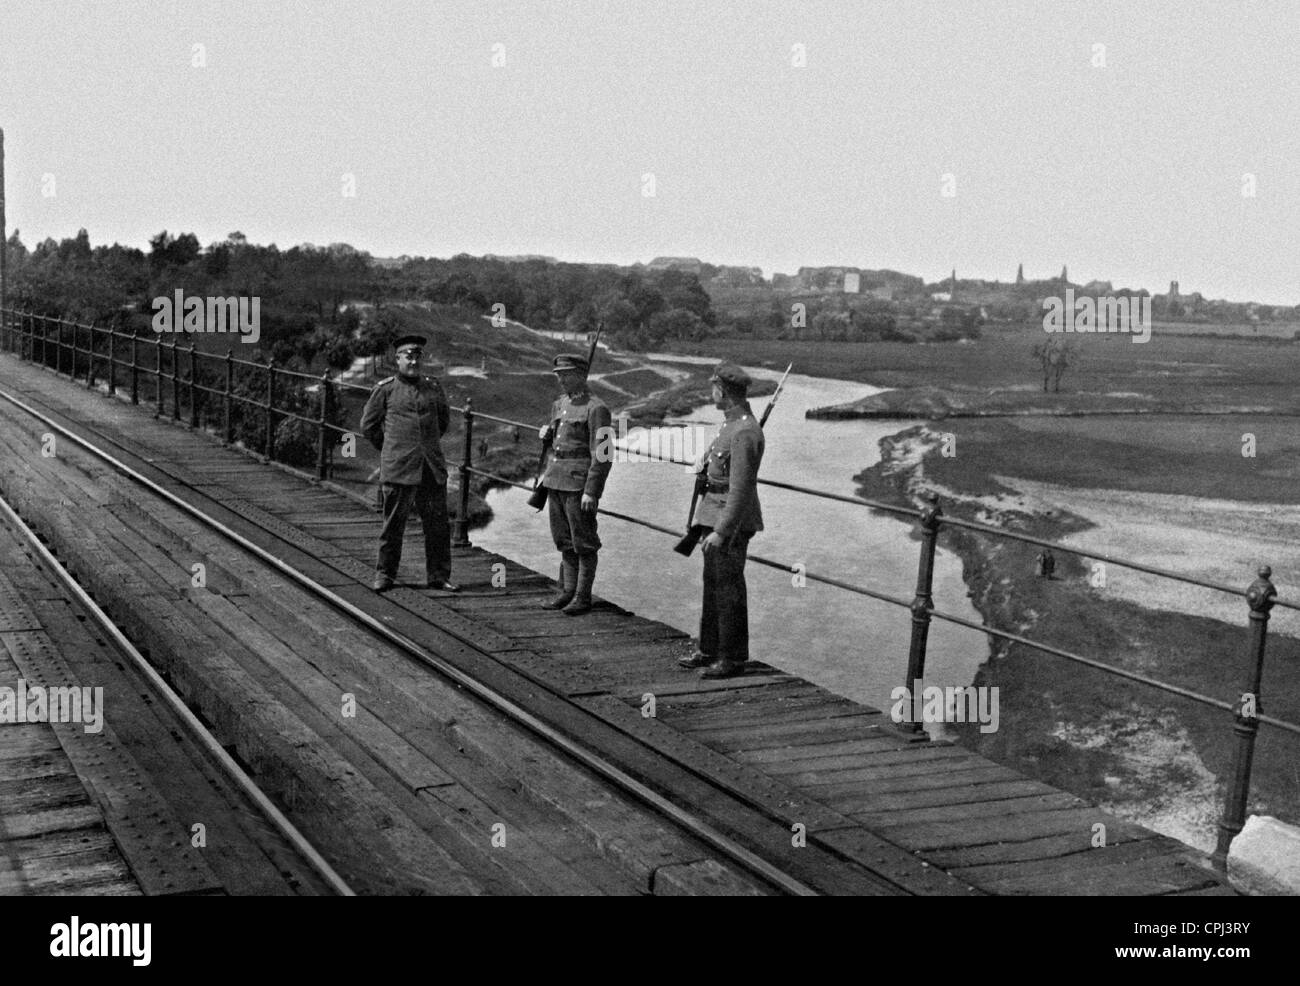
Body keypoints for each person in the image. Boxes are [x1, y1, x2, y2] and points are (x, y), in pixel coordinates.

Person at [678, 364, 765, 678]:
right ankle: (710, 649)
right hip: (714, 513)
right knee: (713, 584)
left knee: (728, 588)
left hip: (731, 521)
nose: (710, 393)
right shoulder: (731, 427)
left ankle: (731, 658)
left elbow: (741, 489)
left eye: (713, 387)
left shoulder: (744, 431)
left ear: (723, 391)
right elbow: (723, 473)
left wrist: (722, 530)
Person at [360, 334, 459, 593]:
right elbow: (368, 426)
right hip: (399, 469)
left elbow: (443, 422)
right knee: (393, 526)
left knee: (437, 526)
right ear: (398, 359)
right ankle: (385, 575)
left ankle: (438, 576)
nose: (414, 361)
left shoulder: (433, 388)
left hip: (430, 468)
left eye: (417, 356)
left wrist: (425, 446)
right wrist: (391, 449)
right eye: (408, 356)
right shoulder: (386, 389)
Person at [537, 353, 612, 615]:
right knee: (564, 540)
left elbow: (602, 455)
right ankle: (567, 591)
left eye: (566, 374)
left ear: (582, 375)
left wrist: (592, 490)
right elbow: (557, 441)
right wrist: (545, 435)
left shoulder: (596, 408)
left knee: (584, 542)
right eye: (559, 375)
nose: (561, 380)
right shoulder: (560, 404)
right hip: (555, 479)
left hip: (578, 484)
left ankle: (582, 596)